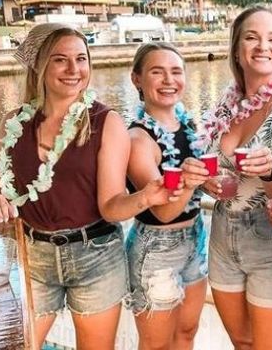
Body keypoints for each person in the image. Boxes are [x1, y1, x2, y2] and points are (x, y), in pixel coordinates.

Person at [0, 23, 170, 350]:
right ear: (39, 66)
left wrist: (148, 196)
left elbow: (111, 205)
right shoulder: (12, 123)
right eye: (60, 60)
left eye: (81, 59)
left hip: (94, 255)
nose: (74, 69)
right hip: (32, 256)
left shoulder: (105, 122)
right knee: (15, 345)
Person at [181, 5, 272, 349]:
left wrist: (270, 172)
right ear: (237, 49)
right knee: (242, 343)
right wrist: (205, 180)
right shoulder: (227, 105)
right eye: (252, 37)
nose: (263, 46)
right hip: (223, 238)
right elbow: (215, 167)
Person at [104, 42, 208, 350]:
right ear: (137, 79)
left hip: (195, 237)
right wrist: (190, 181)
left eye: (176, 72)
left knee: (187, 333)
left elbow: (194, 190)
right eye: (157, 72)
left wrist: (209, 182)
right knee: (157, 346)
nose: (168, 80)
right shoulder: (138, 138)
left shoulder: (188, 125)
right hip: (156, 250)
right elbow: (163, 211)